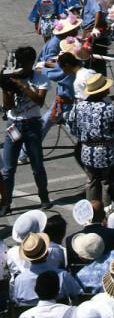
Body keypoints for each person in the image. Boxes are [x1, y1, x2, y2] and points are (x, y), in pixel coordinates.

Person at [0, 46, 50, 212]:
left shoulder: (40, 78)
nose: (19, 67)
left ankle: (44, 197)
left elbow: (40, 101)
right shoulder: (11, 77)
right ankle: (6, 203)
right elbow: (8, 106)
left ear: (31, 63)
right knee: (8, 169)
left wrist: (23, 86)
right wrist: (6, 88)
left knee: (37, 166)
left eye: (23, 63)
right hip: (14, 125)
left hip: (32, 125)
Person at [65, 72, 114, 206]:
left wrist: (83, 138)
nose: (108, 89)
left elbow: (70, 126)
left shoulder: (78, 107)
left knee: (92, 181)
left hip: (87, 151)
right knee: (108, 182)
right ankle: (108, 210)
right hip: (107, 152)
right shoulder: (109, 108)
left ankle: (92, 211)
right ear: (101, 91)